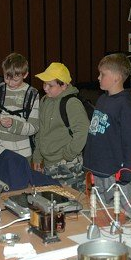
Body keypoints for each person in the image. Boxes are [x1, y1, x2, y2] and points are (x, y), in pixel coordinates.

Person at [83, 53, 131, 217]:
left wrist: (127, 171)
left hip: (116, 173)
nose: (98, 77)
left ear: (116, 77)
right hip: (98, 170)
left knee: (124, 217)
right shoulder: (102, 99)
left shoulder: (127, 105)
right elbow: (95, 133)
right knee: (102, 215)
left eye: (103, 74)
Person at [32, 62, 89, 190]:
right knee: (53, 204)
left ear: (63, 85)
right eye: (44, 83)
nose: (45, 88)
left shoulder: (72, 103)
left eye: (50, 85)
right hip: (48, 164)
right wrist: (37, 156)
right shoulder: (45, 100)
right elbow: (41, 131)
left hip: (67, 166)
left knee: (72, 205)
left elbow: (82, 131)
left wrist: (68, 154)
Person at [0, 53, 40, 160]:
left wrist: (13, 124)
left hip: (21, 153)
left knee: (20, 178)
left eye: (15, 80)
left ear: (25, 75)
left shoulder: (32, 94)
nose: (10, 83)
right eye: (6, 77)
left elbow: (34, 127)